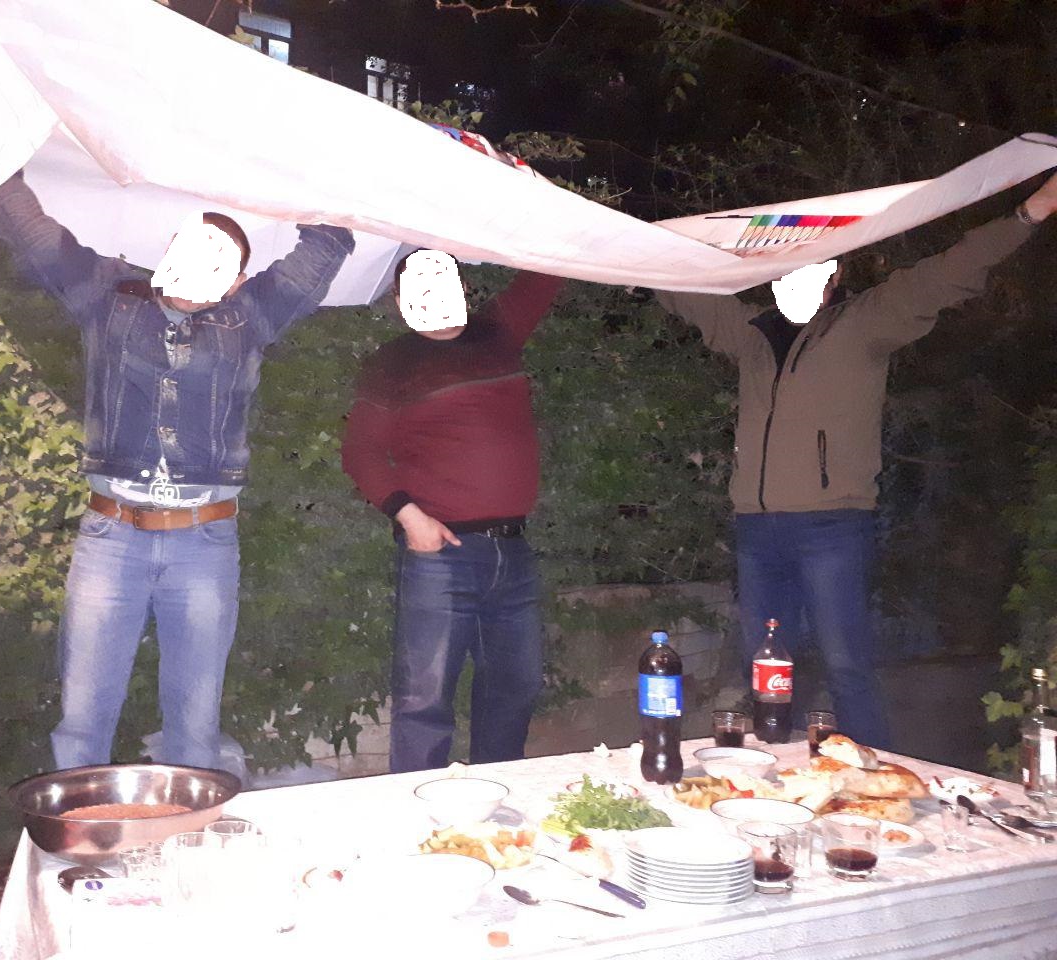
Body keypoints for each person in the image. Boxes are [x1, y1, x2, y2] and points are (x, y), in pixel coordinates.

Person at [654, 172, 1057, 747]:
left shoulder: (866, 322)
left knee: (847, 667)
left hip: (831, 526)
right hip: (757, 530)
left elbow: (947, 273)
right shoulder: (749, 334)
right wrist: (632, 249)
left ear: (836, 271)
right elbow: (677, 286)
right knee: (766, 669)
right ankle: (774, 775)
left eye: (815, 264)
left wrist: (1030, 212)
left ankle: (873, 775)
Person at [0, 174, 354, 771]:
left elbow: (325, 247)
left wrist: (290, 175)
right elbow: (35, 236)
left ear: (237, 281)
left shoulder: (249, 317)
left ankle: (189, 824)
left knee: (195, 722)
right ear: (171, 250)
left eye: (222, 266)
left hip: (204, 542)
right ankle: (83, 825)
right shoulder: (108, 298)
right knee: (83, 717)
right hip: (111, 538)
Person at [341, 250, 563, 772]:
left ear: (462, 287)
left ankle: (499, 794)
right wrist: (409, 517)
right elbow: (361, 452)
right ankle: (416, 808)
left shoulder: (497, 332)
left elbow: (549, 267)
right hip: (440, 556)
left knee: (515, 686)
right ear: (398, 301)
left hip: (513, 551)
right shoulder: (393, 363)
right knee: (424, 700)